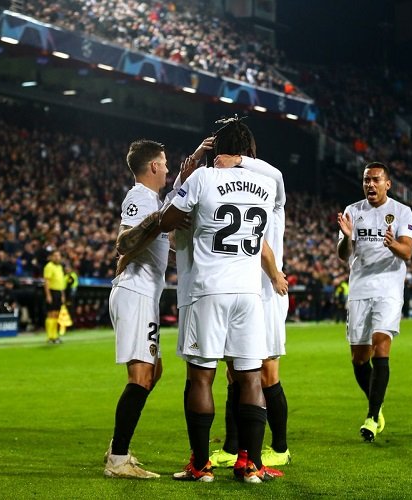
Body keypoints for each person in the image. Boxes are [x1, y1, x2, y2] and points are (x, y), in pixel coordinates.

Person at [159, 117, 285, 483]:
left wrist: (185, 186)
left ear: (217, 150)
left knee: (201, 377)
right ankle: (251, 464)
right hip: (249, 292)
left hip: (208, 289)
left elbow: (167, 221)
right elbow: (273, 184)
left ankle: (200, 465)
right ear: (248, 152)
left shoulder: (203, 178)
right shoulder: (266, 185)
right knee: (250, 378)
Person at [103, 139, 191, 479]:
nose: (167, 168)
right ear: (154, 165)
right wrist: (155, 222)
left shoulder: (153, 200)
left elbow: (152, 241)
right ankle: (118, 459)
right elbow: (124, 242)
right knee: (140, 377)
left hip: (145, 295)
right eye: (165, 163)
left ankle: (118, 446)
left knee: (153, 372)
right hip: (135, 293)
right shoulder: (140, 197)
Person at [207, 134, 292, 469]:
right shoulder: (229, 191)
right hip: (237, 290)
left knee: (266, 373)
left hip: (268, 293)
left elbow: (278, 177)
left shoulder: (268, 188)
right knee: (234, 374)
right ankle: (233, 447)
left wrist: (239, 161)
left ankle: (280, 447)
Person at [337, 162, 412, 442]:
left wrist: (392, 244)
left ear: (387, 184)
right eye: (366, 180)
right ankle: (377, 404)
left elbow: (407, 251)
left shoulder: (402, 212)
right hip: (360, 289)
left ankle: (371, 417)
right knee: (359, 358)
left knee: (381, 343)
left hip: (388, 289)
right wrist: (347, 238)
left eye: (376, 180)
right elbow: (343, 255)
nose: (370, 184)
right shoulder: (352, 211)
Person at [42, 250, 65, 344]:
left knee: (56, 315)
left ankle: (55, 336)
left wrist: (62, 295)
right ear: (51, 257)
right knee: (51, 314)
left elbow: (61, 282)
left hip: (59, 292)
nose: (57, 257)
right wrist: (48, 295)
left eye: (58, 255)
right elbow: (46, 282)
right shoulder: (49, 266)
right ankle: (49, 337)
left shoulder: (60, 267)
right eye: (55, 255)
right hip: (52, 292)